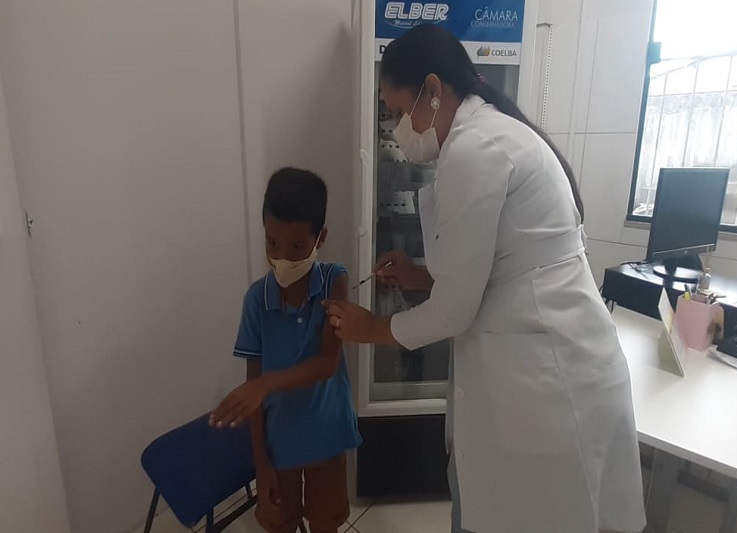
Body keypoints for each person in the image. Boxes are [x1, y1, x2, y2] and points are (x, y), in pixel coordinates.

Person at [323, 25, 647, 533]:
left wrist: (372, 329)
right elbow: (498, 269)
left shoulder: (475, 148)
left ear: (433, 90)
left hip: (548, 382)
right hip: (544, 365)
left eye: (398, 110)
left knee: (531, 514)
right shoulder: (490, 134)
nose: (397, 128)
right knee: (492, 503)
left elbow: (456, 309)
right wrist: (420, 276)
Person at [209, 168, 361, 533]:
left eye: (296, 247)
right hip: (279, 446)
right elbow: (253, 392)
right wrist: (261, 465)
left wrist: (263, 386)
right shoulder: (256, 301)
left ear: (321, 238)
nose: (281, 258)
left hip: (327, 437)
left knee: (326, 522)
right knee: (280, 523)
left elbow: (327, 363)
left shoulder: (334, 280)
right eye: (272, 243)